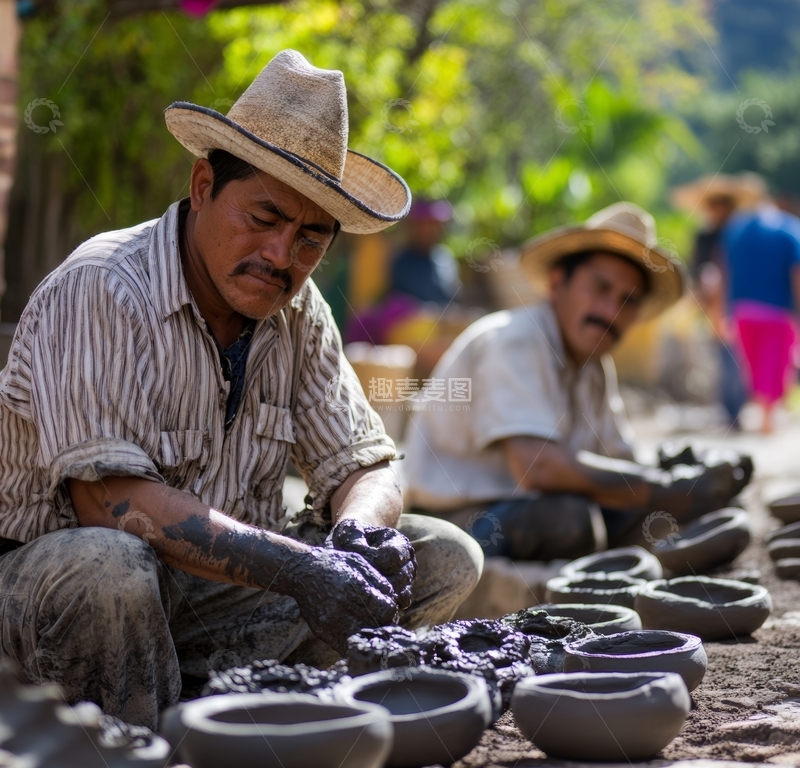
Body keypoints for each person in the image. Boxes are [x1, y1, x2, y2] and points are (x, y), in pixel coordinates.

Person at [0, 51, 483, 728]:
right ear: (203, 185)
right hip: (56, 607)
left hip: (217, 598)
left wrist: (358, 534)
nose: (282, 256)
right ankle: (125, 748)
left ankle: (242, 718)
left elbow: (368, 462)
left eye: (310, 237)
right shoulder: (103, 286)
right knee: (110, 566)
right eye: (263, 218)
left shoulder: (299, 309)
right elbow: (108, 502)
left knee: (441, 558)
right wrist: (298, 568)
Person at [404, 203, 753, 560]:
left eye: (627, 301)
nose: (609, 312)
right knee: (571, 518)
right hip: (455, 523)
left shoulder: (593, 369)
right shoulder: (514, 340)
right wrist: (662, 487)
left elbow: (619, 461)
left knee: (698, 503)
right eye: (600, 288)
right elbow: (538, 467)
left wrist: (677, 470)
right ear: (558, 283)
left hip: (530, 508)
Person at [671, 172, 767, 426]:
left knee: (741, 357)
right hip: (715, 304)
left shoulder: (742, 235)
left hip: (743, 304)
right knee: (723, 357)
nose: (718, 209)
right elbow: (697, 268)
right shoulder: (704, 237)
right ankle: (731, 412)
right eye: (714, 204)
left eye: (723, 203)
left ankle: (741, 407)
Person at [721, 200, 800, 433]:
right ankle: (768, 416)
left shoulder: (736, 232)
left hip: (742, 311)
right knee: (775, 364)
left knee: (753, 365)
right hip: (777, 313)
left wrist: (723, 312)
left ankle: (764, 414)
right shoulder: (790, 230)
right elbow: (796, 275)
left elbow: (725, 272)